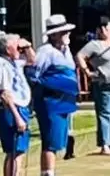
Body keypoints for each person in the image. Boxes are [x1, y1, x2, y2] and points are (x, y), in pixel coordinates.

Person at [29, 15, 79, 176]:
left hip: (64, 102)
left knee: (57, 142)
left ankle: (51, 171)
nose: (68, 35)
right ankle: (47, 173)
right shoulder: (45, 51)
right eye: (64, 32)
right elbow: (34, 75)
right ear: (54, 35)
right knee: (50, 142)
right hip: (50, 103)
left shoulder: (66, 50)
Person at [77, 16, 110, 155]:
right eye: (103, 28)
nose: (106, 30)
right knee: (106, 114)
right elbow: (80, 56)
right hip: (105, 84)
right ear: (98, 30)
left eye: (108, 27)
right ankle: (105, 145)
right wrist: (87, 72)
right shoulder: (94, 44)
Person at [0, 32, 34, 176]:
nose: (20, 50)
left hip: (19, 108)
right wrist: (17, 117)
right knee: (14, 151)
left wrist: (27, 46)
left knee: (18, 151)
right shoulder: (1, 64)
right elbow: (5, 94)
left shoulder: (13, 62)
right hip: (10, 109)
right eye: (17, 47)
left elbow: (33, 61)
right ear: (8, 49)